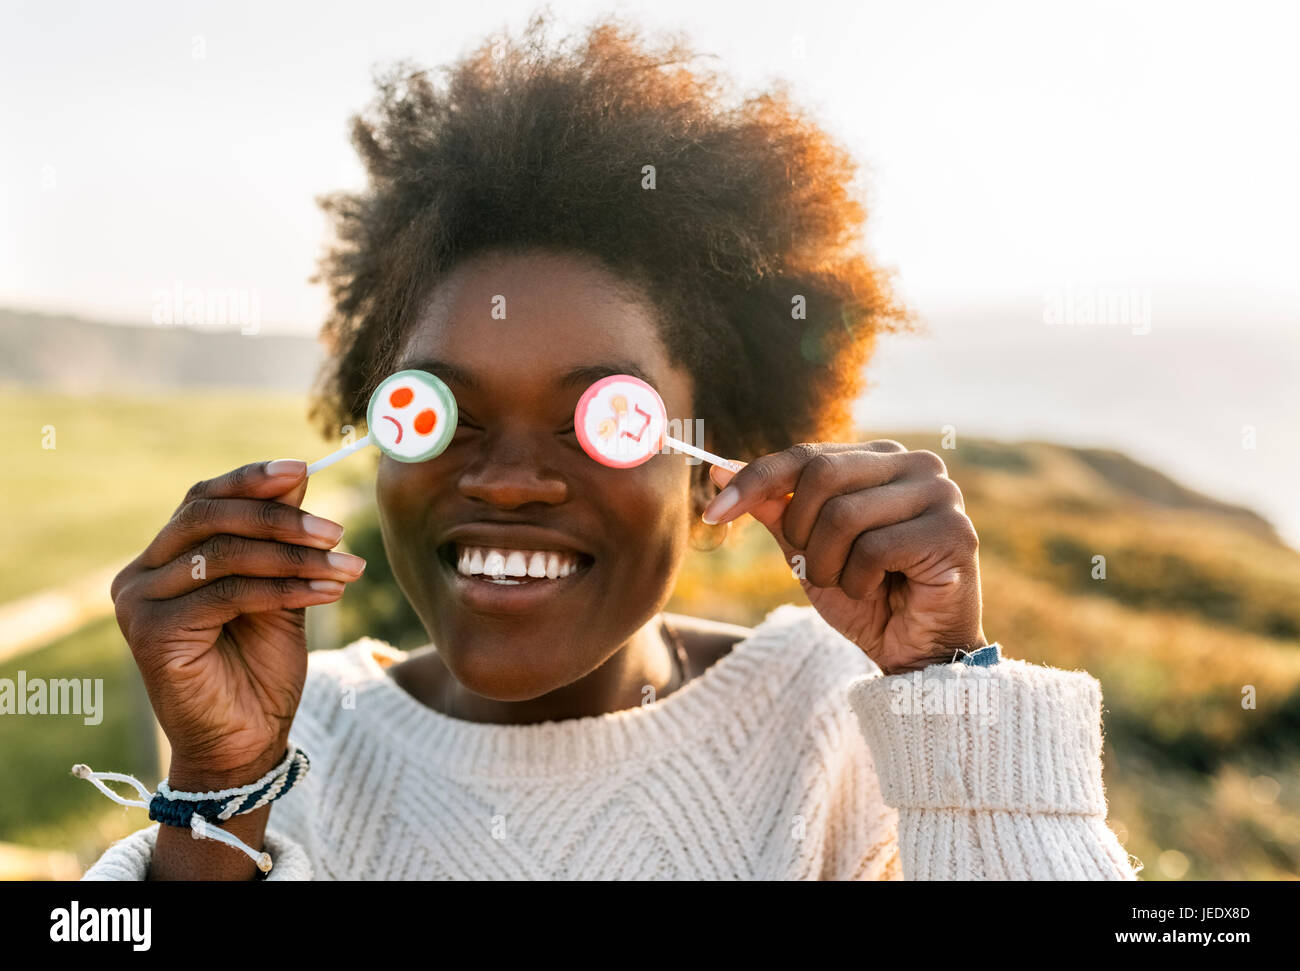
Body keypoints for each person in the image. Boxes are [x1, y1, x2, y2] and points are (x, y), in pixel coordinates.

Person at [82, 13, 1138, 880]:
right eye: (442, 412)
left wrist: (950, 687)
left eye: (606, 419)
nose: (507, 483)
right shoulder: (290, 741)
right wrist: (218, 793)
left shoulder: (837, 716)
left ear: (714, 455)